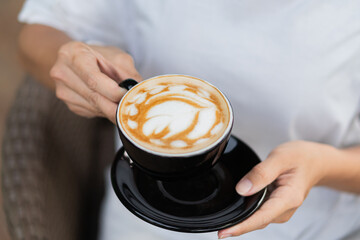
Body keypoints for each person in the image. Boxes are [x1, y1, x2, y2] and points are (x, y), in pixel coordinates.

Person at [17, 0, 360, 239]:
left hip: (313, 223)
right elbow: (38, 33)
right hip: (143, 213)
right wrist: (73, 60)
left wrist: (325, 166)